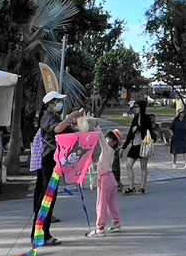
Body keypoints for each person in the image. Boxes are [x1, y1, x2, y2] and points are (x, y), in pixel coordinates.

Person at [34, 91, 80, 245]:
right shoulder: (47, 117)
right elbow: (57, 129)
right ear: (51, 103)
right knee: (46, 197)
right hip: (49, 160)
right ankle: (40, 235)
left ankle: (43, 234)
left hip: (56, 160)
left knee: (49, 198)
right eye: (58, 101)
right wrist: (70, 117)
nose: (60, 104)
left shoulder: (54, 118)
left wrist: (74, 124)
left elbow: (68, 131)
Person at [88, 129, 124, 237]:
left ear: (114, 142)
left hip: (105, 179)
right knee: (111, 204)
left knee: (101, 204)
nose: (107, 139)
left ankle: (100, 228)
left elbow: (100, 137)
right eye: (108, 137)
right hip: (111, 178)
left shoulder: (107, 149)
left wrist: (96, 126)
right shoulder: (111, 151)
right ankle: (116, 222)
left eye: (110, 138)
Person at [125, 97, 154, 193]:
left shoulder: (147, 118)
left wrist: (138, 127)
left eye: (137, 107)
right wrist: (124, 146)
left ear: (141, 107)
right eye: (135, 107)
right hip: (135, 145)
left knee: (143, 166)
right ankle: (131, 186)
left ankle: (142, 187)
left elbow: (148, 130)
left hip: (144, 144)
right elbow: (130, 133)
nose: (135, 109)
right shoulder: (135, 118)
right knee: (128, 165)